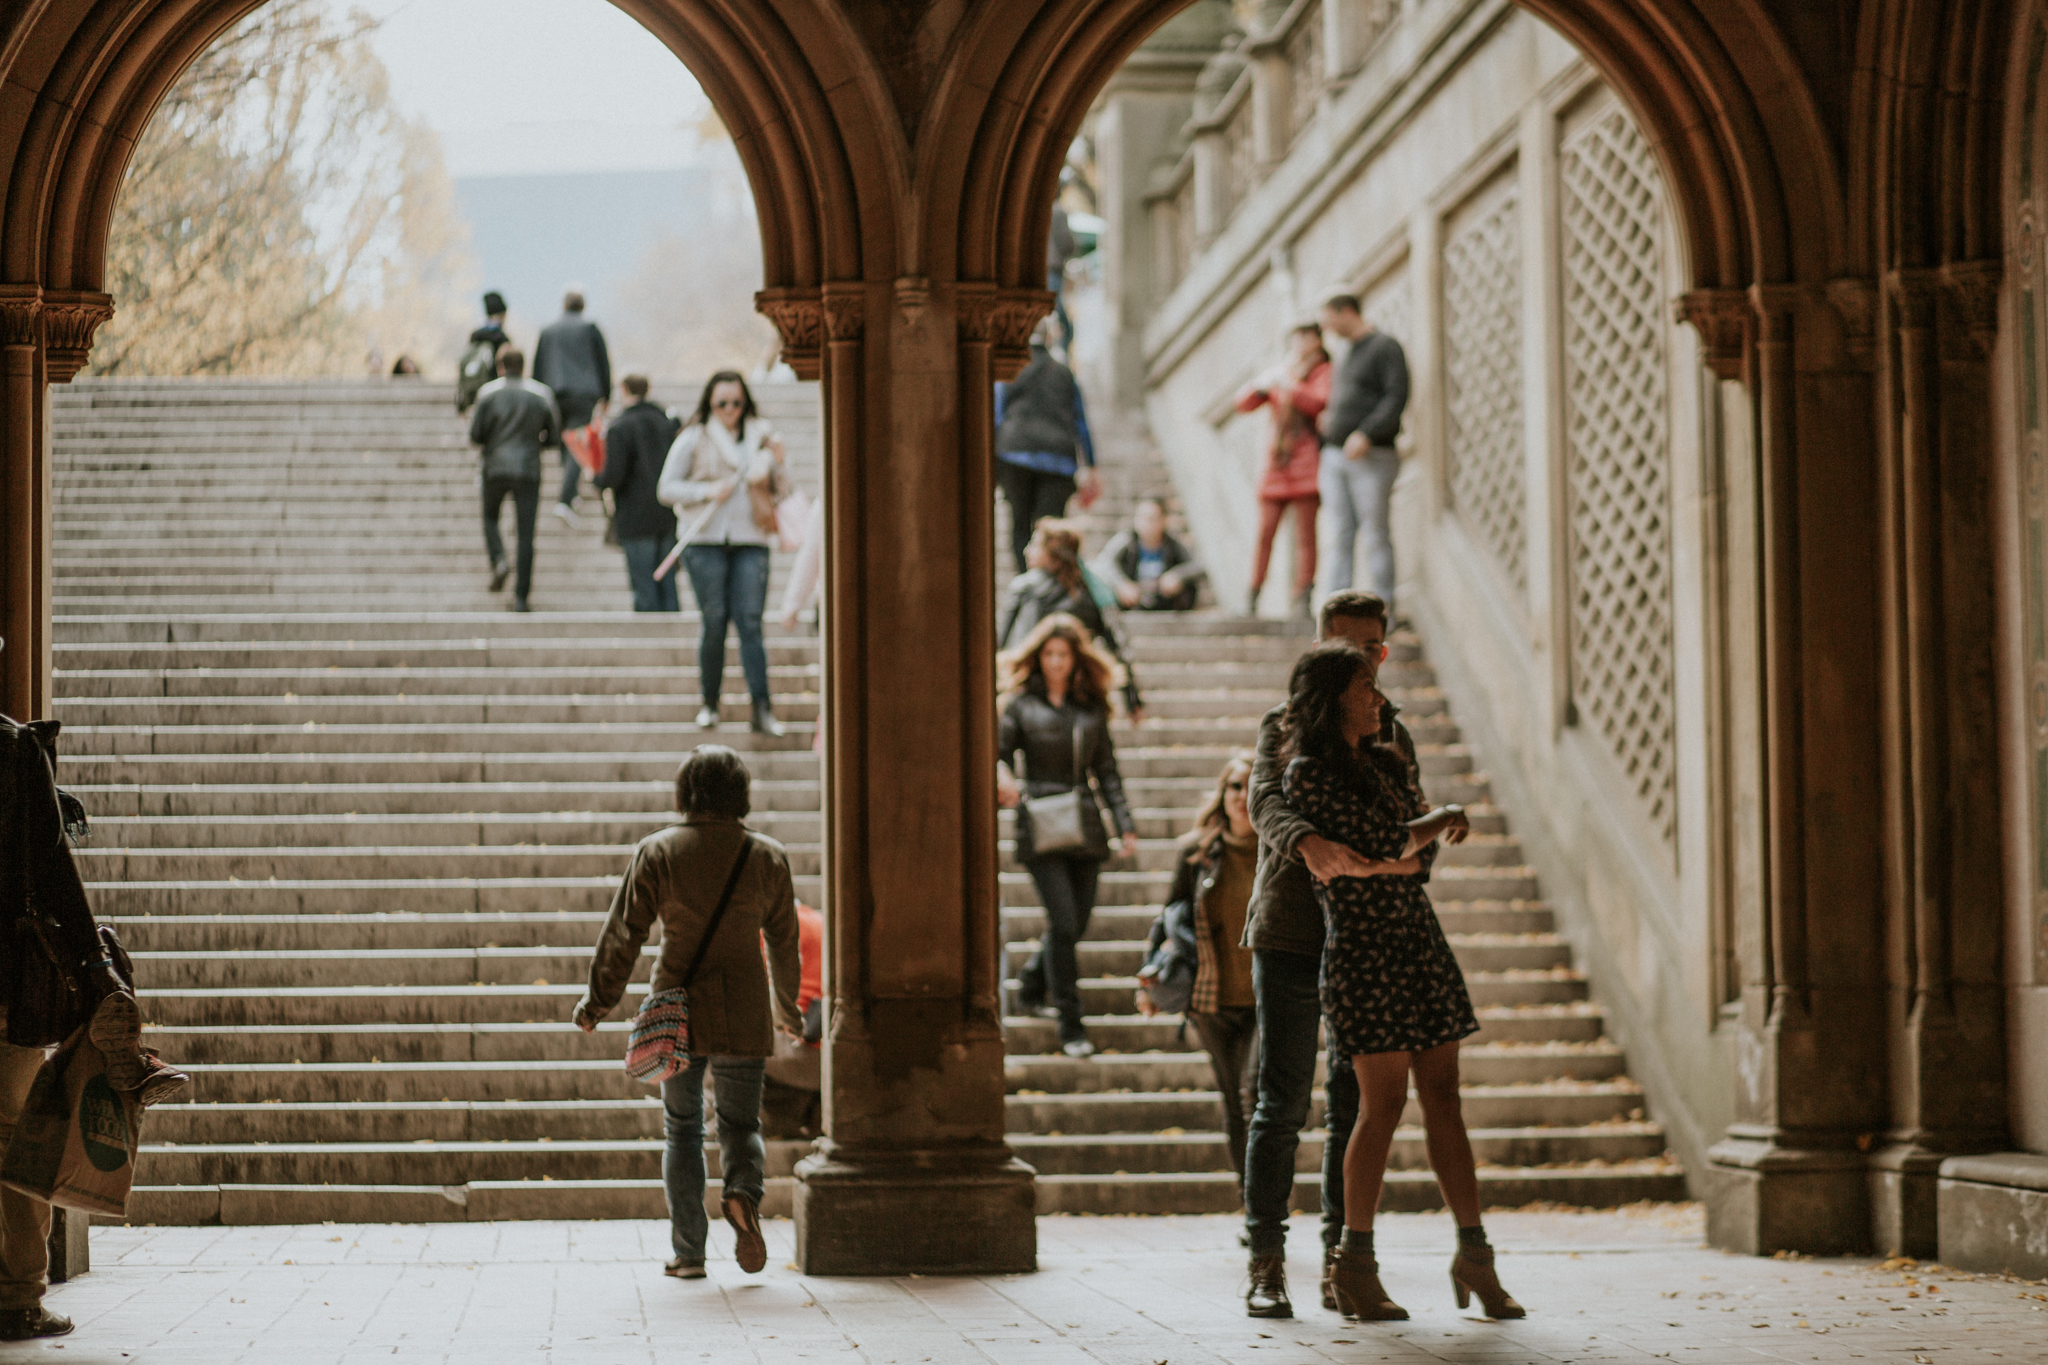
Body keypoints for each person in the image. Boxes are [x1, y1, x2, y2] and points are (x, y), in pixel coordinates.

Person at [1278, 642, 1523, 1323]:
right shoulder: (1306, 774)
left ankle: (1475, 1254)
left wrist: (1388, 853)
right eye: (1366, 686)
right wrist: (1432, 823)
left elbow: (1408, 860)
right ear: (1333, 699)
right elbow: (1396, 841)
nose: (1379, 698)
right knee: (1380, 1103)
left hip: (1418, 940)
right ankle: (1353, 1264)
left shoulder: (1387, 762)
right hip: (1363, 951)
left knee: (1445, 1094)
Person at [1240, 590, 1419, 1319]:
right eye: (1349, 648)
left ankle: (1343, 1263)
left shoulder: (1388, 727)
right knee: (1280, 1101)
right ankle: (1265, 1263)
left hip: (1367, 934)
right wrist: (1310, 842)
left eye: (1374, 649)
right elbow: (1263, 800)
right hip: (1290, 927)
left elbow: (1411, 818)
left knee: (1353, 1102)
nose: (1365, 662)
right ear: (1319, 650)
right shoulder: (1281, 727)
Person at [573, 745, 802, 1280]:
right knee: (742, 1122)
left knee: (681, 1128)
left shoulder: (658, 851)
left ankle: (689, 1253)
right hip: (746, 1006)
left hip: (678, 1007)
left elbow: (624, 933)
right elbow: (785, 943)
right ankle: (743, 1194)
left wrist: (598, 1001)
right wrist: (789, 1011)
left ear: (686, 792)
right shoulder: (767, 856)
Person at [996, 613, 1138, 1059]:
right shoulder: (1019, 705)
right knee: (1061, 922)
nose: (1056, 662)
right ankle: (1070, 1024)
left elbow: (1107, 772)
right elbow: (997, 755)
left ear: (1077, 659)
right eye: (1049, 654)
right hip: (1038, 820)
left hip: (1084, 822)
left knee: (1075, 924)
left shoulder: (1091, 708)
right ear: (1038, 658)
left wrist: (1125, 823)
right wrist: (1004, 780)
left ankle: (1033, 986)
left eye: (1063, 654)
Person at [1139, 752, 1260, 1186]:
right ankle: (1254, 1208)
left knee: (1254, 1098)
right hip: (1211, 1000)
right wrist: (1150, 976)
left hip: (1264, 1001)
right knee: (1234, 1102)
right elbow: (1171, 915)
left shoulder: (1280, 848)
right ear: (1222, 793)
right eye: (1234, 786)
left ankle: (1265, 1211)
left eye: (1251, 786)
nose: (1242, 796)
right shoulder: (1198, 851)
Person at [658, 370, 791, 737]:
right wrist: (705, 491)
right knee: (713, 621)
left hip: (752, 538)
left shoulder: (761, 437)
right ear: (710, 403)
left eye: (736, 402)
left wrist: (779, 460)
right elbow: (666, 488)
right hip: (704, 540)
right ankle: (710, 703)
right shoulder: (694, 437)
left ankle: (762, 708)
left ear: (745, 401)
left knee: (750, 623)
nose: (730, 410)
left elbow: (783, 488)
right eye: (722, 403)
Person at [1316, 294, 1409, 610]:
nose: (1326, 326)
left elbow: (1397, 396)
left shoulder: (1384, 346)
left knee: (1375, 535)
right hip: (1335, 455)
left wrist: (1367, 434)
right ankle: (1334, 611)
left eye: (1329, 317)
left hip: (1371, 457)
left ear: (1346, 311)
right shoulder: (1344, 352)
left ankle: (1383, 610)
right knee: (1340, 536)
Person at [998, 518, 1142, 718]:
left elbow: (999, 641)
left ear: (1053, 553)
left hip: (1029, 689)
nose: (1027, 551)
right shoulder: (1092, 591)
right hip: (1079, 692)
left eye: (1034, 545)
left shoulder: (1025, 587)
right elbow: (1115, 643)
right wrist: (1131, 697)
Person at [1236, 323, 1331, 618]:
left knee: (1305, 536)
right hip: (1278, 461)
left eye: (1305, 337)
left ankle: (1303, 596)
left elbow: (1319, 402)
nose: (1299, 343)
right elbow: (1244, 404)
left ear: (1316, 340)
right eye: (1295, 338)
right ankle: (1253, 593)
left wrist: (1290, 386)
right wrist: (1261, 384)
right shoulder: (1284, 370)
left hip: (1306, 460)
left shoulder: (1322, 371)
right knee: (1265, 532)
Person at [994, 319, 1098, 575]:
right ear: (1049, 337)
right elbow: (1080, 421)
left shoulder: (1009, 369)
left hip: (1014, 453)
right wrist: (1092, 465)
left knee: (1020, 525)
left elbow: (996, 414)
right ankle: (1050, 584)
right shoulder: (1064, 372)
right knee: (1051, 529)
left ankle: (1025, 581)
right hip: (1058, 458)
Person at [467, 347, 561, 613]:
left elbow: (476, 435)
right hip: (529, 470)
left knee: (489, 517)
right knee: (525, 534)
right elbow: (554, 437)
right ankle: (521, 597)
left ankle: (498, 559)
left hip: (495, 468)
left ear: (500, 366)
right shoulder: (541, 394)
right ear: (524, 365)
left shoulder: (487, 393)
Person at [597, 374, 682, 612]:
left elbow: (613, 476)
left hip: (635, 518)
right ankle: (676, 642)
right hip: (667, 515)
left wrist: (596, 477)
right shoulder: (669, 424)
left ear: (623, 391)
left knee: (643, 585)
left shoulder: (619, 427)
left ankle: (652, 642)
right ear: (649, 389)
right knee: (668, 584)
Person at [533, 290, 612, 526]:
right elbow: (603, 362)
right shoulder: (590, 328)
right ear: (583, 306)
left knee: (564, 440)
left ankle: (571, 492)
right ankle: (566, 498)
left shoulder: (548, 331)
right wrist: (606, 394)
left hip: (553, 392)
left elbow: (538, 365)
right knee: (579, 441)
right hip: (583, 393)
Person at [1092, 497, 1204, 611]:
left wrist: (1177, 575)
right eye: (1142, 517)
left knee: (1188, 587)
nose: (1146, 523)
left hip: (1164, 596)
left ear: (1163, 520)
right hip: (1134, 597)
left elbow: (1197, 566)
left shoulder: (1172, 544)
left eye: (1152, 518)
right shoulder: (1127, 540)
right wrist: (1121, 584)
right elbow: (1104, 563)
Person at [455, 291, 510, 414]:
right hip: (495, 391)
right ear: (502, 314)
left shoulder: (475, 336)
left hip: (475, 392)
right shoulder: (501, 338)